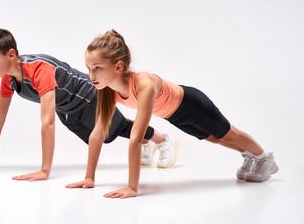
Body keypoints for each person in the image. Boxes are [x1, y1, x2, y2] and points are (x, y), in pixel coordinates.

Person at [69, 29, 279, 198]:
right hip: (174, 115)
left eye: (97, 68)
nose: (91, 75)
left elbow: (136, 138)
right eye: (88, 68)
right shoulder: (107, 91)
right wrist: (90, 178)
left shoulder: (143, 82)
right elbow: (97, 133)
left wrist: (132, 188)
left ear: (118, 66)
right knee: (215, 139)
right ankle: (251, 156)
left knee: (229, 134)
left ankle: (264, 157)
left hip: (192, 104)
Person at [0, 29, 177, 181]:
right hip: (67, 110)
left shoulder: (39, 69)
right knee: (109, 135)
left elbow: (47, 122)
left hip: (89, 95)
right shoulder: (9, 79)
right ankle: (148, 141)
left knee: (113, 130)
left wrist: (44, 171)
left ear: (10, 54)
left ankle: (163, 139)